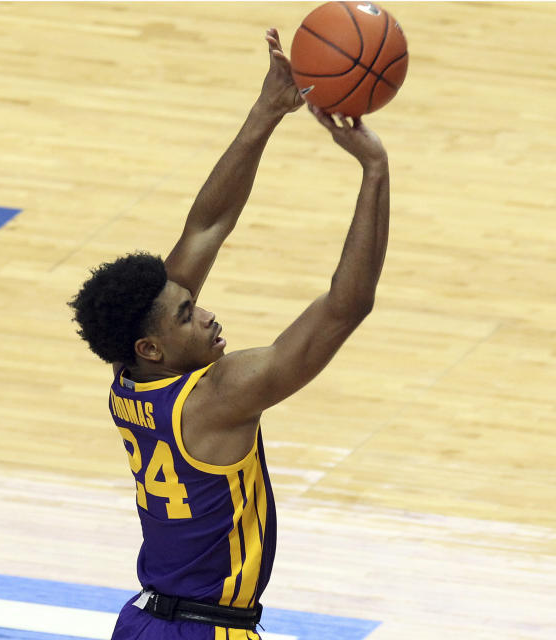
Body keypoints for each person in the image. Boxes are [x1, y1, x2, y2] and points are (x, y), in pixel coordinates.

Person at [69, 27, 390, 639]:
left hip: (141, 625)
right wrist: (373, 172)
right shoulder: (217, 398)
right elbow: (347, 307)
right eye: (189, 316)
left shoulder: (131, 375)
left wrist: (268, 110)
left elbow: (207, 225)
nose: (208, 313)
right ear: (152, 346)